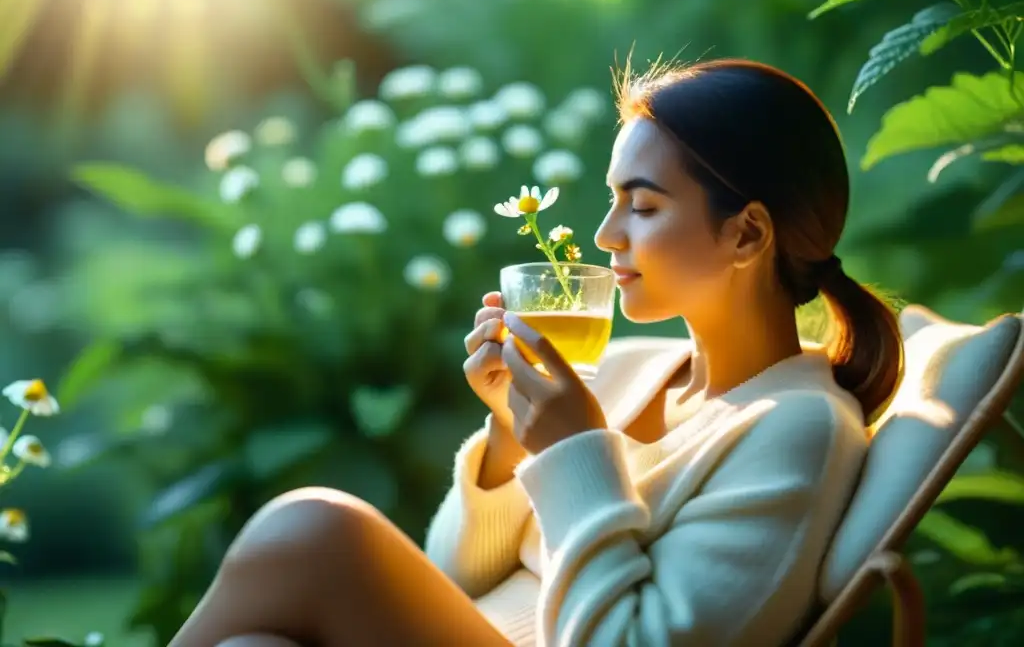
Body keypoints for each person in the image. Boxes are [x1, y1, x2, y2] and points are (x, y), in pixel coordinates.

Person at [169, 59, 903, 647]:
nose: (608, 233)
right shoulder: (622, 369)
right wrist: (509, 436)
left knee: (317, 530)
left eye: (643, 207)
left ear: (746, 235)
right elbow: (455, 574)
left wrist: (578, 448)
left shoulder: (798, 428)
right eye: (612, 200)